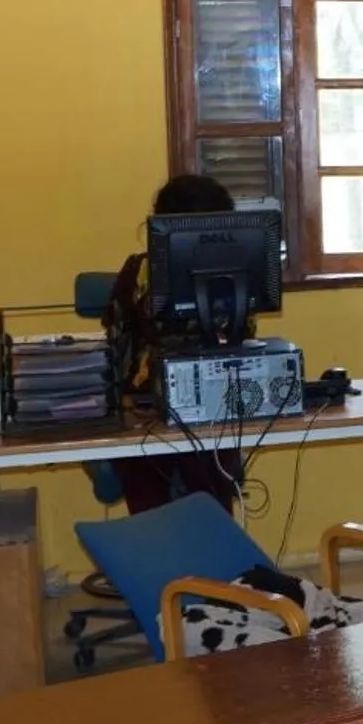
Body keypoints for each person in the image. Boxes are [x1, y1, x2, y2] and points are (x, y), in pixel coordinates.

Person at [100, 173, 246, 512]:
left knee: (209, 482)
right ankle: (159, 560)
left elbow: (240, 339)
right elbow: (116, 348)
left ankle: (213, 561)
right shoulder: (137, 274)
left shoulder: (233, 276)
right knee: (149, 482)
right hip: (143, 409)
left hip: (212, 405)